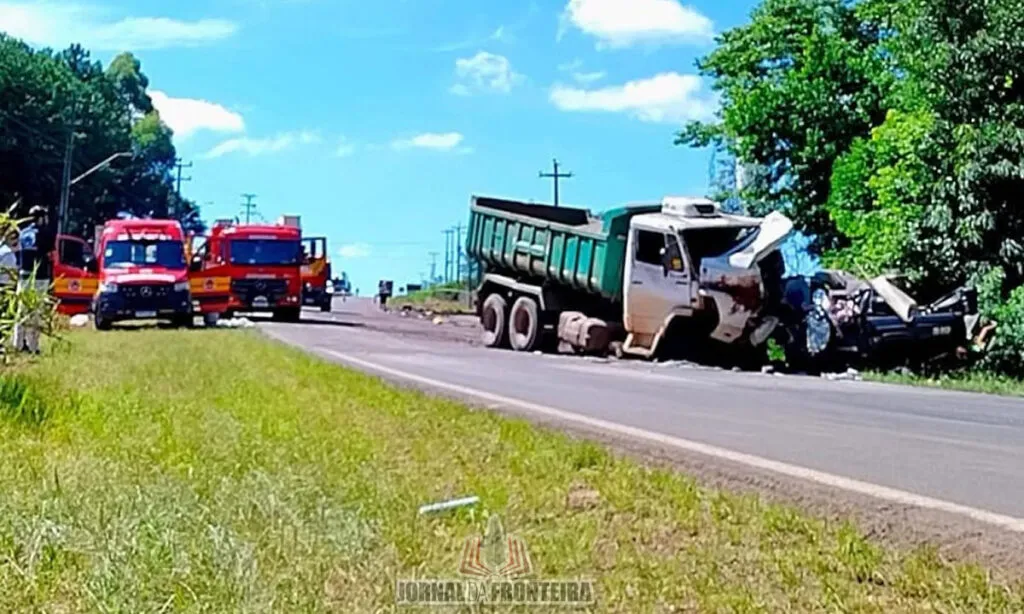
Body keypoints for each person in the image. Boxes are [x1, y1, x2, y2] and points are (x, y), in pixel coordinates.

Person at [14, 206, 55, 353]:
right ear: (41, 218)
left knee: (21, 311)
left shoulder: (23, 233)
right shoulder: (46, 233)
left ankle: (18, 343)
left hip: (23, 275)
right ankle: (33, 346)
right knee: (35, 312)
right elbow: (51, 256)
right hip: (39, 277)